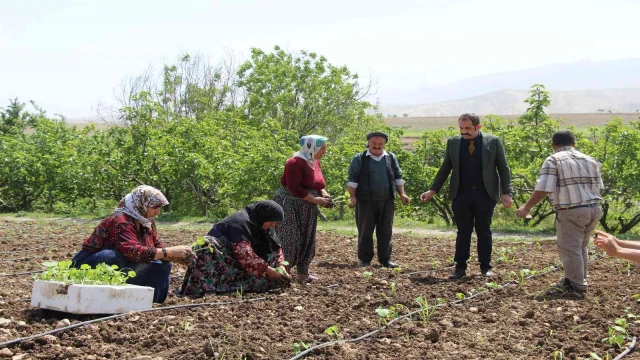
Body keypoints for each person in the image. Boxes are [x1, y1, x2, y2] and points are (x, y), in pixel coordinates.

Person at [421, 113, 513, 279]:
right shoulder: (453, 143)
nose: (464, 132)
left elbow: (503, 168)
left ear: (478, 127)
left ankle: (485, 267)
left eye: (468, 128)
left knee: (484, 231)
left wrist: (507, 192)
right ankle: (460, 267)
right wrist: (433, 190)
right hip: (461, 194)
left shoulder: (493, 141)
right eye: (461, 128)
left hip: (485, 194)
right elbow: (445, 168)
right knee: (463, 232)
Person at [72, 185, 194, 304]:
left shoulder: (146, 222)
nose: (158, 212)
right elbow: (132, 251)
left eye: (160, 207)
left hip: (123, 266)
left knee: (161, 264)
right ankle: (102, 299)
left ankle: (150, 301)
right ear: (141, 204)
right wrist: (168, 252)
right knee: (111, 256)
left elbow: (157, 247)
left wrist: (176, 257)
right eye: (155, 207)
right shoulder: (119, 220)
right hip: (90, 265)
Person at [517, 130, 603, 293]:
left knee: (569, 248)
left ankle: (576, 285)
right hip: (594, 208)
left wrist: (527, 206)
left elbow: (544, 187)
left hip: (572, 210)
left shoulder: (553, 160)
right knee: (581, 246)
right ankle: (579, 278)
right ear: (574, 144)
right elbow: (598, 186)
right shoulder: (590, 160)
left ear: (553, 145)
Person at [179, 201, 291, 296]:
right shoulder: (240, 223)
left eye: (276, 222)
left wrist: (281, 265)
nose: (273, 225)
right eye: (272, 221)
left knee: (273, 270)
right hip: (223, 259)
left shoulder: (265, 225)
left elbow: (277, 249)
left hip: (247, 264)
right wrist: (268, 270)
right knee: (207, 245)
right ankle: (206, 289)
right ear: (263, 216)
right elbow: (245, 255)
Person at [347, 131, 410, 268]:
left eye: (380, 144)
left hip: (387, 200)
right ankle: (365, 259)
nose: (377, 146)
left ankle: (385, 259)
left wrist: (402, 194)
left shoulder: (390, 157)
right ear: (368, 143)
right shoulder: (359, 158)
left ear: (384, 144)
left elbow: (398, 177)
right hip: (365, 201)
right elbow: (352, 179)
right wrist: (352, 197)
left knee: (386, 231)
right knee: (365, 231)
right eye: (374, 143)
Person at [274, 135, 331, 283]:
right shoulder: (294, 162)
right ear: (312, 147)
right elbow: (294, 188)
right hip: (290, 205)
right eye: (322, 148)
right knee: (289, 238)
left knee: (308, 238)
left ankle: (303, 273)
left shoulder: (314, 161)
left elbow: (319, 183)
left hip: (308, 206)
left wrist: (324, 195)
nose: (325, 151)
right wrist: (315, 199)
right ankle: (282, 272)